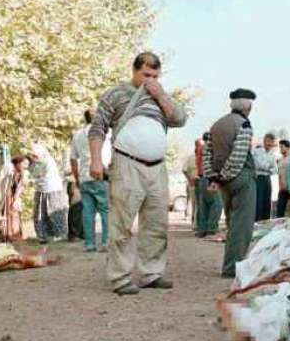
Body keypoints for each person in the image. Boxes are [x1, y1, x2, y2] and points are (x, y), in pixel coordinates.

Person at [89, 52, 187, 295]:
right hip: (127, 163)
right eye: (146, 75)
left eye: (155, 75)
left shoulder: (160, 96)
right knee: (121, 222)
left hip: (157, 167)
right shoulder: (116, 93)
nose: (150, 79)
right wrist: (96, 160)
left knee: (156, 223)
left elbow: (179, 119)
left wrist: (160, 95)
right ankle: (120, 277)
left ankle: (151, 273)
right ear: (134, 71)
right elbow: (98, 127)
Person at [208, 88, 257, 278]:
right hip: (240, 178)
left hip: (223, 181)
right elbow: (238, 155)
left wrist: (215, 177)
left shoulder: (217, 125)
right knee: (241, 226)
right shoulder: (244, 125)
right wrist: (228, 174)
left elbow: (208, 154)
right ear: (248, 106)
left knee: (231, 223)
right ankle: (233, 268)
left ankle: (231, 265)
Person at [71, 109, 111, 252]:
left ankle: (90, 244)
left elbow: (73, 159)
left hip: (84, 177)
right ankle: (106, 242)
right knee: (106, 210)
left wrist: (77, 179)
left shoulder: (77, 135)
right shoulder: (105, 133)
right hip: (101, 174)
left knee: (87, 212)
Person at [29, 143, 68, 244]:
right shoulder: (36, 163)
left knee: (54, 212)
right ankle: (43, 235)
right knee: (40, 214)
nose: (34, 157)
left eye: (36, 155)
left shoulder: (46, 161)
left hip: (52, 189)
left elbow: (38, 173)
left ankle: (58, 234)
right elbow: (35, 173)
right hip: (41, 189)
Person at [0, 156, 29, 241]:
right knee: (1, 211)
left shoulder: (24, 172)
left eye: (27, 164)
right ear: (18, 162)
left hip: (13, 193)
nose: (26, 166)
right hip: (3, 191)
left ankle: (14, 234)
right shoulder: (8, 166)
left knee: (14, 210)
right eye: (25, 163)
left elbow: (22, 186)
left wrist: (16, 198)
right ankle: (2, 235)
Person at [195, 132, 224, 237]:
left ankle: (201, 229)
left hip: (202, 178)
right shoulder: (208, 148)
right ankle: (211, 228)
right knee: (216, 204)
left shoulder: (200, 148)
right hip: (209, 178)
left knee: (203, 205)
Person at [253, 133, 278, 221]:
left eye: (271, 142)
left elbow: (275, 169)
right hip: (258, 178)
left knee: (267, 202)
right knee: (258, 201)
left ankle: (265, 222)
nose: (269, 144)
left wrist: (267, 168)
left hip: (267, 179)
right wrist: (268, 167)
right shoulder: (257, 152)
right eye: (268, 141)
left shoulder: (272, 154)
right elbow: (258, 165)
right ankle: (257, 222)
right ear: (264, 141)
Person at [275, 140, 290, 218]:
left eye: (282, 147)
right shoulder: (280, 160)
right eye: (280, 147)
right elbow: (279, 175)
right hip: (282, 190)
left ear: (288, 148)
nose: (280, 149)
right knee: (280, 212)